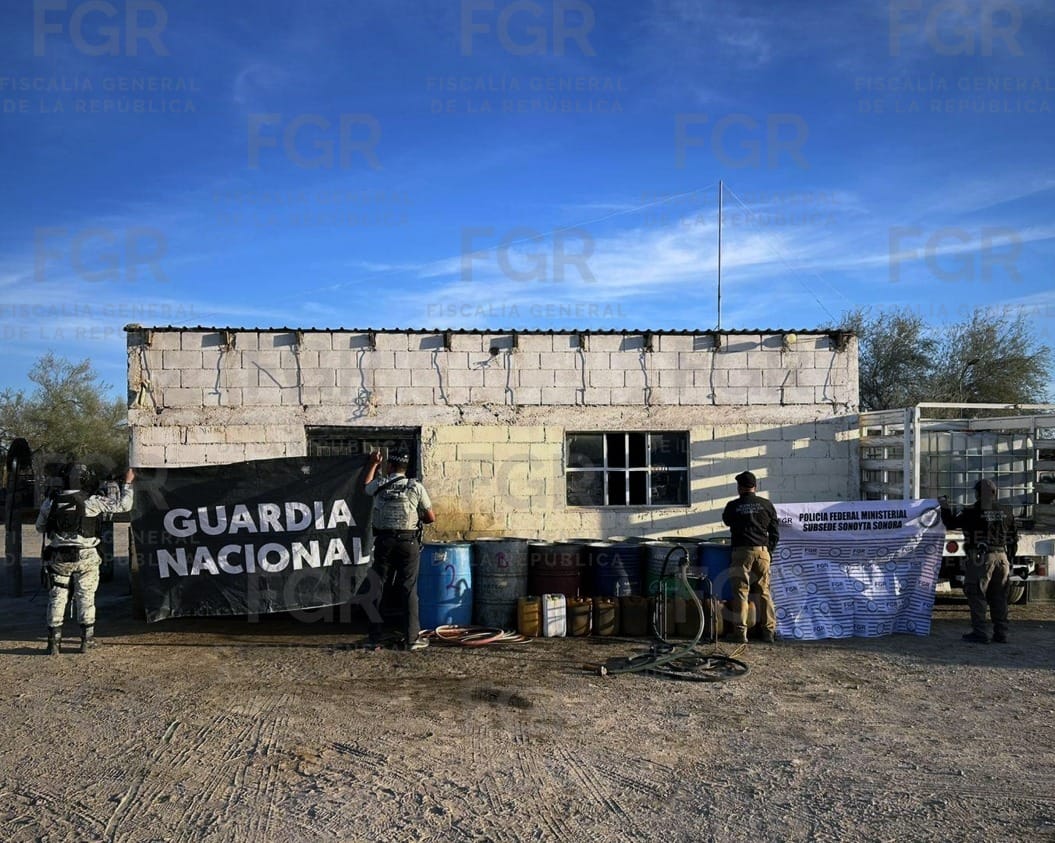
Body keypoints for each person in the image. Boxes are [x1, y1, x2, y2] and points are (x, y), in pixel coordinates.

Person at [36, 463, 135, 655]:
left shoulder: (50, 502)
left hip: (58, 557)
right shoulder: (92, 501)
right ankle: (85, 641)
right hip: (86, 555)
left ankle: (53, 643)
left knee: (57, 596)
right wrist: (128, 483)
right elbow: (124, 506)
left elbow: (40, 528)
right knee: (86, 597)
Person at [363, 446, 435, 651]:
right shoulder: (415, 486)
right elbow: (431, 517)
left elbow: (365, 486)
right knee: (408, 588)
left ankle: (374, 637)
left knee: (378, 587)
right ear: (405, 467)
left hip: (384, 541)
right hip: (408, 542)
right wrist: (413, 515)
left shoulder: (380, 483)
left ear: (390, 465)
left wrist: (373, 464)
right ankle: (412, 638)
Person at [940, 479, 1017, 644]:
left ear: (977, 494)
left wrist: (944, 505)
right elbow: (1013, 538)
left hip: (981, 558)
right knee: (999, 596)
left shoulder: (971, 512)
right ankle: (1001, 633)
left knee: (976, 594)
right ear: (995, 493)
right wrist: (1009, 557)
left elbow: (951, 523)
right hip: (1002, 557)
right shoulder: (1007, 511)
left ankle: (980, 632)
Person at [721, 470, 780, 644]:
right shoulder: (767, 505)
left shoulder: (733, 506)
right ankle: (768, 632)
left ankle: (741, 634)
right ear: (755, 487)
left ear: (739, 488)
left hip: (741, 552)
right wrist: (768, 551)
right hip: (762, 552)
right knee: (764, 592)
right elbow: (775, 532)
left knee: (741, 592)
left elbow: (727, 521)